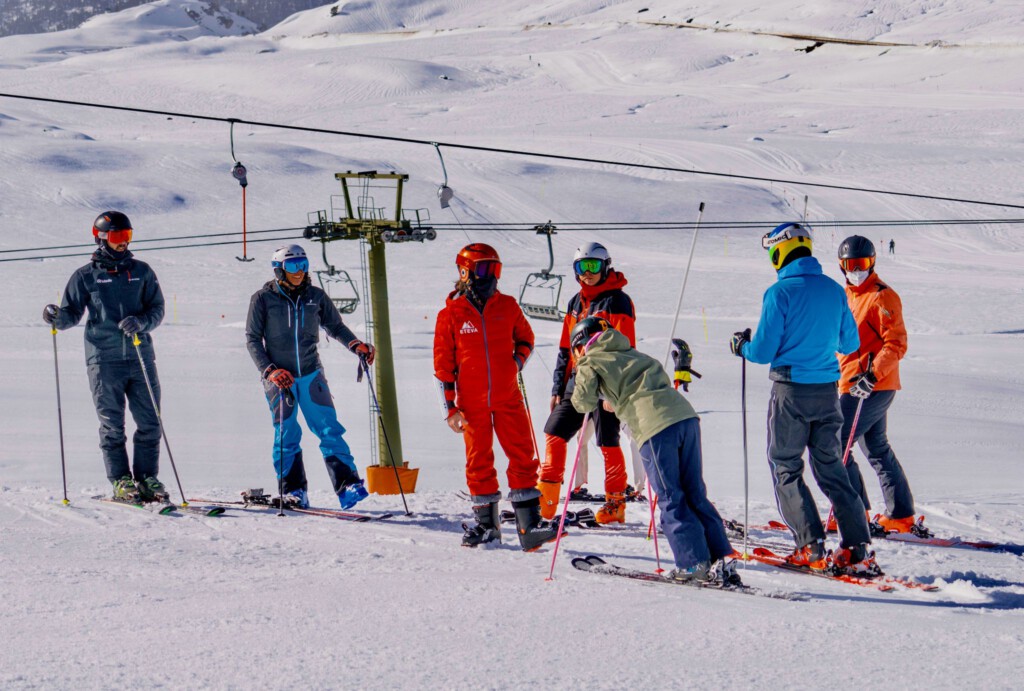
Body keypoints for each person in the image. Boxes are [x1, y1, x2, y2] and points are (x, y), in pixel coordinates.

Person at [731, 222, 878, 574]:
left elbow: (764, 350)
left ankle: (810, 546)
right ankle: (857, 546)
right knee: (832, 469)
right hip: (828, 392)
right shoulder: (833, 290)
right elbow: (849, 344)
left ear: (780, 251)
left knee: (785, 465)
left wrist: (742, 347)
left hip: (790, 392)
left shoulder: (780, 293)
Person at [570, 317, 739, 584]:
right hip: (685, 417)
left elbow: (582, 403)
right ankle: (721, 557)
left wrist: (583, 371)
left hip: (656, 427)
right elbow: (645, 386)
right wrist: (616, 400)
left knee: (671, 496)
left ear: (580, 346)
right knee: (695, 492)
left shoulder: (590, 360)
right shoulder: (632, 352)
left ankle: (693, 563)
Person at [433, 243, 560, 551]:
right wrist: (449, 409)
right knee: (478, 461)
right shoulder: (451, 314)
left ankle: (529, 526)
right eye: (483, 269)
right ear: (465, 272)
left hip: (507, 396)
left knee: (522, 454)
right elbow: (442, 366)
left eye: (495, 269)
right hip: (471, 402)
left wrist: (514, 364)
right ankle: (487, 526)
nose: (490, 276)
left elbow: (526, 338)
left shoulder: (508, 306)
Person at [43, 211, 168, 503]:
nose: (123, 243)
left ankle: (148, 478)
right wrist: (57, 318)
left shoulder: (142, 271)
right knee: (112, 425)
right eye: (117, 237)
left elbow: (157, 309)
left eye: (127, 236)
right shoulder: (85, 276)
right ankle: (121, 480)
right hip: (103, 359)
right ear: (101, 238)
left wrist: (142, 322)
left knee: (150, 421)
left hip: (140, 357)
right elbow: (71, 314)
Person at [245, 244, 374, 510]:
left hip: (311, 373)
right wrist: (270, 370)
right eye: (293, 266)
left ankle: (348, 485)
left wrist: (355, 344)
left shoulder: (315, 295)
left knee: (329, 429)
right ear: (279, 269)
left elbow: (335, 325)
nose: (300, 272)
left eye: (303, 265)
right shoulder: (262, 299)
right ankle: (294, 492)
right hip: (280, 379)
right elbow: (252, 339)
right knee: (286, 434)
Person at [538, 242, 636, 524]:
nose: (587, 273)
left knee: (607, 441)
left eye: (593, 266)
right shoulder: (575, 302)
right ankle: (546, 499)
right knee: (554, 432)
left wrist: (614, 390)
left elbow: (625, 347)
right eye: (582, 267)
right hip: (578, 381)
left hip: (607, 383)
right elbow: (564, 348)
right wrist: (558, 388)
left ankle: (615, 503)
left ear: (605, 266)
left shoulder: (618, 301)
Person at [836, 236, 918, 533]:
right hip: (851, 383)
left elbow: (896, 343)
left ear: (873, 263)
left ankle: (853, 513)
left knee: (835, 447)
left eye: (863, 264)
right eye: (851, 265)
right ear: (841, 266)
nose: (857, 270)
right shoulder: (846, 296)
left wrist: (872, 376)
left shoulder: (883, 296)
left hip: (873, 385)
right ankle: (901, 514)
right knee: (875, 446)